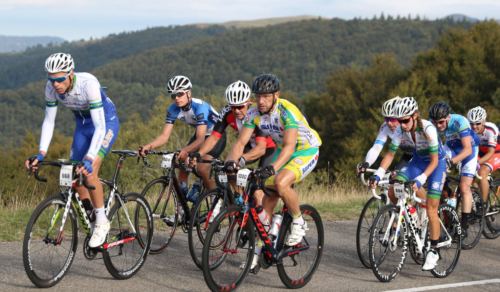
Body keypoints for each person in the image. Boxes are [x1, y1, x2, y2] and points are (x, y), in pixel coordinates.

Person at [227, 74, 322, 270]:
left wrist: (271, 168)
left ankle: (298, 222)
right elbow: (241, 143)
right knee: (265, 204)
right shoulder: (253, 112)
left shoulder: (287, 111)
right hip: (284, 149)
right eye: (258, 96)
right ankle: (256, 254)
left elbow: (289, 147)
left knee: (280, 181)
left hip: (305, 150)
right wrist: (233, 162)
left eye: (266, 97)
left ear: (276, 95)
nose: (261, 101)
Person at [24, 53, 119, 248]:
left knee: (90, 171)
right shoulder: (51, 88)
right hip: (83, 129)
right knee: (76, 179)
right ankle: (91, 214)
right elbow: (49, 120)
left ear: (70, 74)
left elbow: (100, 128)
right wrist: (41, 153)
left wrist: (90, 157)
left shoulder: (88, 84)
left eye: (60, 79)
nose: (55, 84)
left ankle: (102, 222)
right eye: (51, 79)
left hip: (105, 124)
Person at [370, 97, 447, 271]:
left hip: (436, 165)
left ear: (414, 115)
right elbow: (390, 155)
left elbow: (434, 161)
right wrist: (378, 173)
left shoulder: (428, 128)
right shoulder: (400, 130)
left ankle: (433, 251)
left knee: (431, 208)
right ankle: (410, 215)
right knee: (393, 189)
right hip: (417, 162)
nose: (402, 124)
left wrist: (422, 178)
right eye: (399, 121)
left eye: (405, 120)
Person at [138, 75, 225, 225]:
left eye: (180, 93)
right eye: (173, 95)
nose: (177, 98)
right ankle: (181, 210)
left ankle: (215, 203)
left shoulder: (200, 107)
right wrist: (148, 146)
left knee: (203, 168)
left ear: (188, 93)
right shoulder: (173, 109)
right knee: (181, 165)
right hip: (200, 135)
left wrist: (185, 151)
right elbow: (164, 136)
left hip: (215, 136)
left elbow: (200, 139)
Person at [189, 80, 277, 217]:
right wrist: (198, 154)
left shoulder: (259, 113)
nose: (236, 110)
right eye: (232, 107)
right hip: (247, 144)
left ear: (248, 101)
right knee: (228, 169)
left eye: (240, 106)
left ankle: (262, 223)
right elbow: (213, 138)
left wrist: (240, 160)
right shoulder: (226, 112)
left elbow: (261, 148)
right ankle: (241, 202)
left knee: (258, 192)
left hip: (268, 148)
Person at [428, 101, 479, 239]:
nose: (438, 126)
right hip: (451, 147)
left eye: (441, 122)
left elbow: (467, 149)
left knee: (464, 187)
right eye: (435, 122)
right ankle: (449, 195)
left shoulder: (459, 121)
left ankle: (464, 228)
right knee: (436, 169)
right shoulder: (430, 124)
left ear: (448, 117)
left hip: (469, 150)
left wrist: (452, 161)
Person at [356, 96, 413, 175]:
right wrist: (367, 163)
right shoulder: (385, 127)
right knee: (396, 178)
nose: (389, 123)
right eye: (387, 119)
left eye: (393, 119)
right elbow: (376, 148)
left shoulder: (411, 126)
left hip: (425, 155)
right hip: (408, 155)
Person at [467, 106, 500, 205]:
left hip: (496, 153)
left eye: (477, 123)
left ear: (484, 121)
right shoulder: (468, 129)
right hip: (480, 152)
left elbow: (490, 153)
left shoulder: (491, 129)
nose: (474, 126)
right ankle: (478, 197)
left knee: (482, 172)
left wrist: (477, 163)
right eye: (472, 123)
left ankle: (483, 205)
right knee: (468, 174)